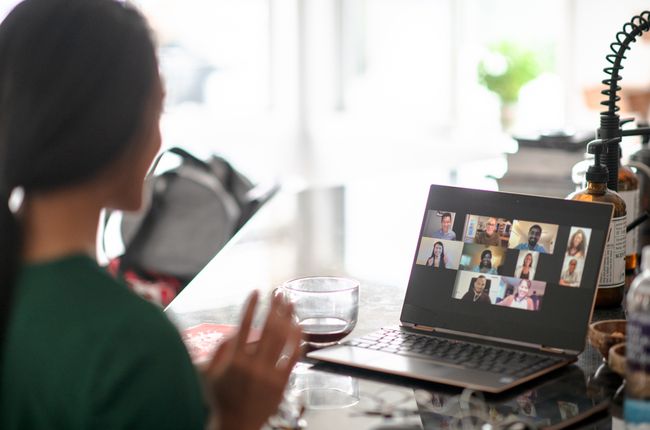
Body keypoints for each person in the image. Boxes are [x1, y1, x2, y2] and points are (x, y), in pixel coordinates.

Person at [0, 1, 302, 429]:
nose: (160, 137)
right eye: (158, 108)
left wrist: (184, 393)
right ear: (112, 125)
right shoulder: (130, 342)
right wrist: (236, 418)